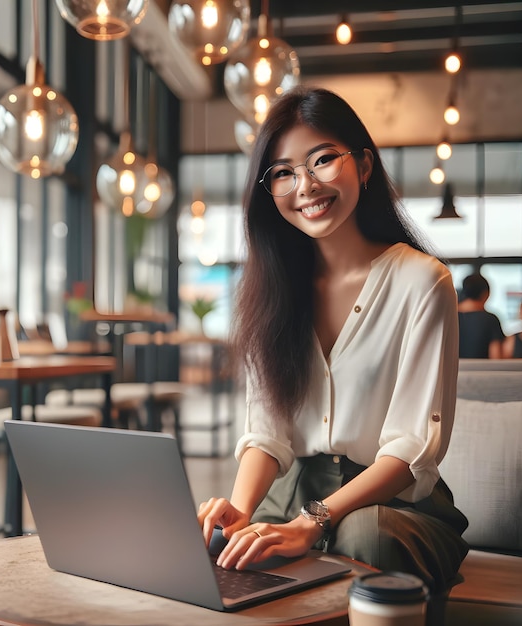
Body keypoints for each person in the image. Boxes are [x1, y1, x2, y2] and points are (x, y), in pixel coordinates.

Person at [197, 86, 468, 597]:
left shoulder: (423, 282)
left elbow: (411, 448)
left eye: (322, 159)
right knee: (219, 543)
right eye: (283, 171)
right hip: (292, 490)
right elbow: (267, 433)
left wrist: (312, 521)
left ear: (364, 167)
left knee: (364, 536)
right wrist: (239, 510)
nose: (306, 185)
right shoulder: (268, 291)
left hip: (394, 507)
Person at [457, 273, 505, 359]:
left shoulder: (450, 317)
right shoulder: (491, 320)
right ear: (486, 294)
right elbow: (496, 357)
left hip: (452, 371)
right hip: (481, 371)